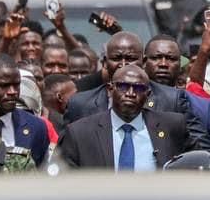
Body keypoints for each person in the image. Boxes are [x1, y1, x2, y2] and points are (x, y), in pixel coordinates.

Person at [64, 32, 210, 160]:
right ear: (104, 62)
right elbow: (65, 159)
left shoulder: (172, 101)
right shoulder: (81, 104)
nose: (123, 64)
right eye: (117, 58)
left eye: (130, 59)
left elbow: (204, 154)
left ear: (143, 62)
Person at [55, 64, 191, 170]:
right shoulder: (80, 133)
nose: (130, 93)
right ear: (110, 89)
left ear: (148, 94)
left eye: (138, 89)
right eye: (123, 87)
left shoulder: (172, 126)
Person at [146, 34, 210, 161]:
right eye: (156, 58)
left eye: (170, 58)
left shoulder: (203, 107)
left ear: (180, 64)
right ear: (143, 62)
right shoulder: (128, 101)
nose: (163, 64)